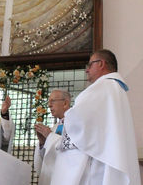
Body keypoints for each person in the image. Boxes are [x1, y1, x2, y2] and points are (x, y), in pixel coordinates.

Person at [51, 49, 141, 185]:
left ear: (101, 64)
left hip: (98, 166)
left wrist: (66, 117)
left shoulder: (102, 87)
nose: (87, 70)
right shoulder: (116, 89)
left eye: (90, 64)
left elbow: (78, 122)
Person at [34, 89, 71, 185]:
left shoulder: (75, 125)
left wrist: (50, 136)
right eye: (49, 101)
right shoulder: (55, 128)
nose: (49, 105)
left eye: (53, 101)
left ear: (65, 103)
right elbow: (48, 158)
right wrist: (43, 143)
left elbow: (71, 153)